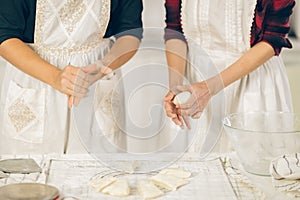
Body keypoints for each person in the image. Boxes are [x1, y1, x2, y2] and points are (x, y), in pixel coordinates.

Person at [0, 0, 143, 154]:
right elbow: (5, 36)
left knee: (100, 172)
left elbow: (130, 32)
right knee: (30, 170)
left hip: (94, 80)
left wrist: (103, 67)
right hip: (35, 75)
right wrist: (55, 77)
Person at [163, 0, 296, 153]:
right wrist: (176, 88)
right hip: (193, 82)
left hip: (252, 85)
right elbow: (175, 30)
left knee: (250, 163)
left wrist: (209, 88)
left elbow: (272, 38)